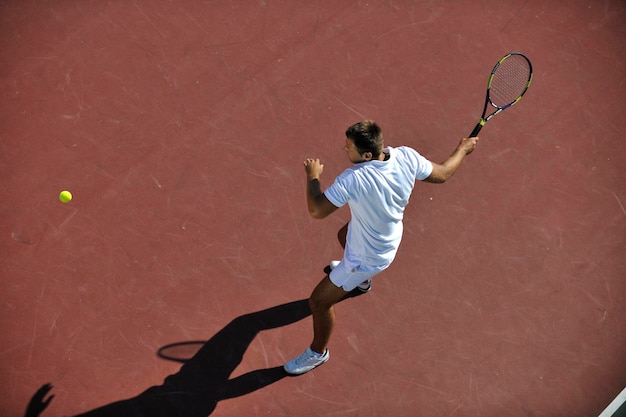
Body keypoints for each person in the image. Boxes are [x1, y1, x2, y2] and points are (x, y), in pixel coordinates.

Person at [283, 120, 478, 375]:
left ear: (366, 155)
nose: (345, 151)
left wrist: (313, 177)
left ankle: (317, 353)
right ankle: (362, 283)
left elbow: (316, 210)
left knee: (318, 302)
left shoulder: (353, 179)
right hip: (387, 236)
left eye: (348, 149)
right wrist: (461, 150)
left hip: (367, 256)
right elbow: (441, 174)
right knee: (345, 233)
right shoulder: (406, 156)